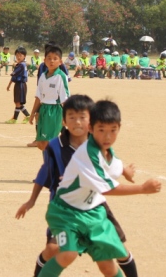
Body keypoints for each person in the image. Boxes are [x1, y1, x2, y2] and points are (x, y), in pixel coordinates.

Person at [16, 95, 140, 277]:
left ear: (91, 121)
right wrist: (31, 201)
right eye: (72, 117)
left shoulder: (98, 142)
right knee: (54, 249)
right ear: (64, 121)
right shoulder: (55, 146)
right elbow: (44, 172)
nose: (77, 122)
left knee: (119, 250)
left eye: (83, 117)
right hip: (65, 209)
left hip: (93, 206)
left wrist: (125, 170)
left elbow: (110, 161)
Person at [39, 100, 162, 277]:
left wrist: (126, 170)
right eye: (101, 130)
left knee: (107, 265)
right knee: (68, 253)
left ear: (119, 128)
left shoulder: (107, 151)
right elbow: (107, 189)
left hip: (93, 213)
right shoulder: (87, 154)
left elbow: (114, 165)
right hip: (65, 212)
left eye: (113, 130)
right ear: (91, 128)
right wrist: (142, 188)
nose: (107, 137)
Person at [30, 45, 69, 151]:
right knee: (41, 143)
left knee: (49, 142)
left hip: (55, 110)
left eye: (55, 59)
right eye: (49, 58)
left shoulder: (61, 76)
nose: (52, 61)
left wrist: (66, 116)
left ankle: (58, 159)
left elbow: (65, 98)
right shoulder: (43, 76)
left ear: (60, 62)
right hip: (43, 109)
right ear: (44, 61)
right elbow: (38, 97)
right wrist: (33, 113)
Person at [6, 46, 31, 124]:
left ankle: (15, 119)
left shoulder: (21, 65)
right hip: (18, 84)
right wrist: (9, 85)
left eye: (20, 55)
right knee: (18, 102)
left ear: (24, 56)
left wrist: (14, 65)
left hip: (20, 85)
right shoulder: (20, 65)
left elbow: (13, 74)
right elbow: (14, 76)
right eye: (17, 55)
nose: (18, 57)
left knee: (18, 102)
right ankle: (27, 116)